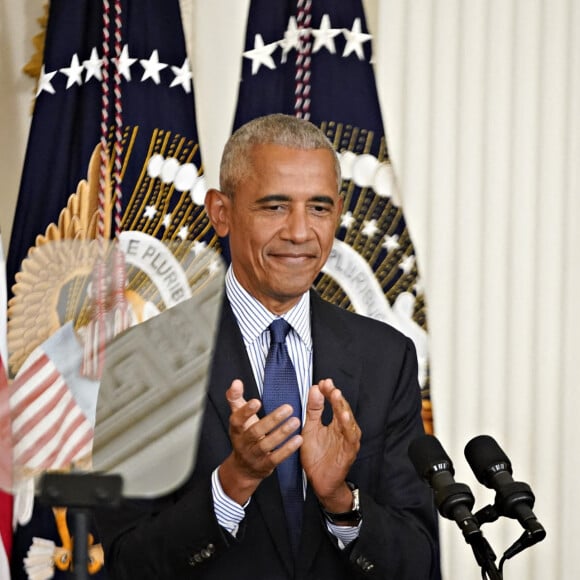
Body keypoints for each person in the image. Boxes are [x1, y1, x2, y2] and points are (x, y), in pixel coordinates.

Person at [98, 113, 440, 579]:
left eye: (318, 208)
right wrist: (233, 483)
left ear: (338, 212)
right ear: (221, 211)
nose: (300, 232)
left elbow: (417, 561)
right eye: (275, 206)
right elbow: (125, 564)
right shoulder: (142, 362)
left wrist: (341, 500)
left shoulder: (386, 358)